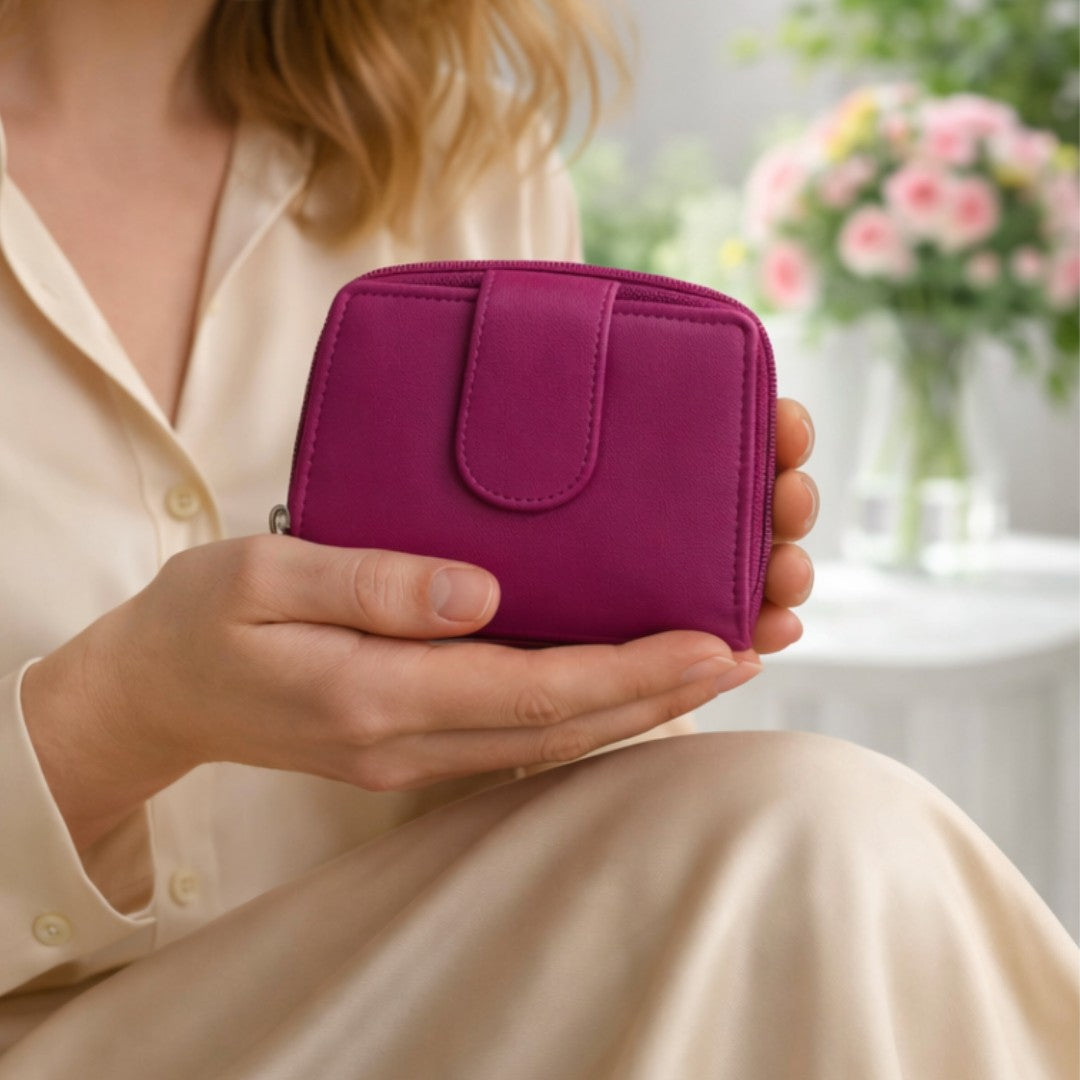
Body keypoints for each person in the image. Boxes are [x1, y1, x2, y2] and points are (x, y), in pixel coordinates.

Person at [0, 1, 1075, 1076]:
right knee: (815, 829)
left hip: (435, 1014)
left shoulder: (464, 162)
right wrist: (117, 716)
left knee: (821, 836)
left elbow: (598, 825)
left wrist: (609, 685)